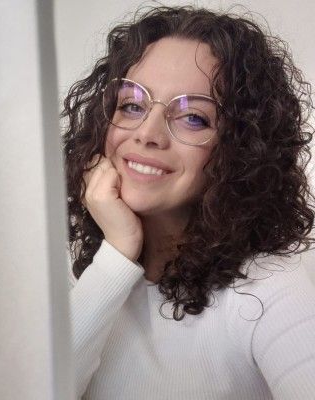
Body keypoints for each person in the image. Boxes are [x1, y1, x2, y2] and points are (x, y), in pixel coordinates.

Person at [62, 5, 315, 400]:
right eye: (132, 105)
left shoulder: (271, 289)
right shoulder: (82, 276)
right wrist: (118, 252)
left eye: (193, 117)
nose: (147, 133)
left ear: (241, 150)